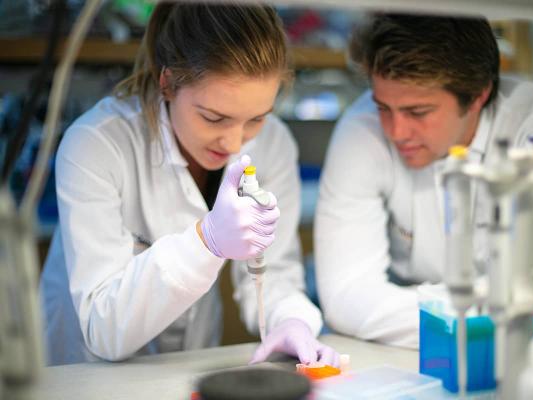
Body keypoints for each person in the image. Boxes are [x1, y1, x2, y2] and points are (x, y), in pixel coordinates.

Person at [40, 2, 338, 366]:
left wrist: (291, 319)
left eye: (256, 119)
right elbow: (103, 328)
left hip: (186, 362)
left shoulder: (274, 144)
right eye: (214, 118)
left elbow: (272, 272)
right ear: (168, 83)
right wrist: (206, 242)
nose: (234, 143)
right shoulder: (96, 143)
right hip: (85, 372)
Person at [314, 13, 533, 348]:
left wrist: (395, 308)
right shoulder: (361, 129)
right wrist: (493, 308)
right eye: (383, 107)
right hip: (396, 355)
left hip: (500, 353)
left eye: (418, 112)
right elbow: (345, 298)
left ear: (478, 95)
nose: (396, 131)